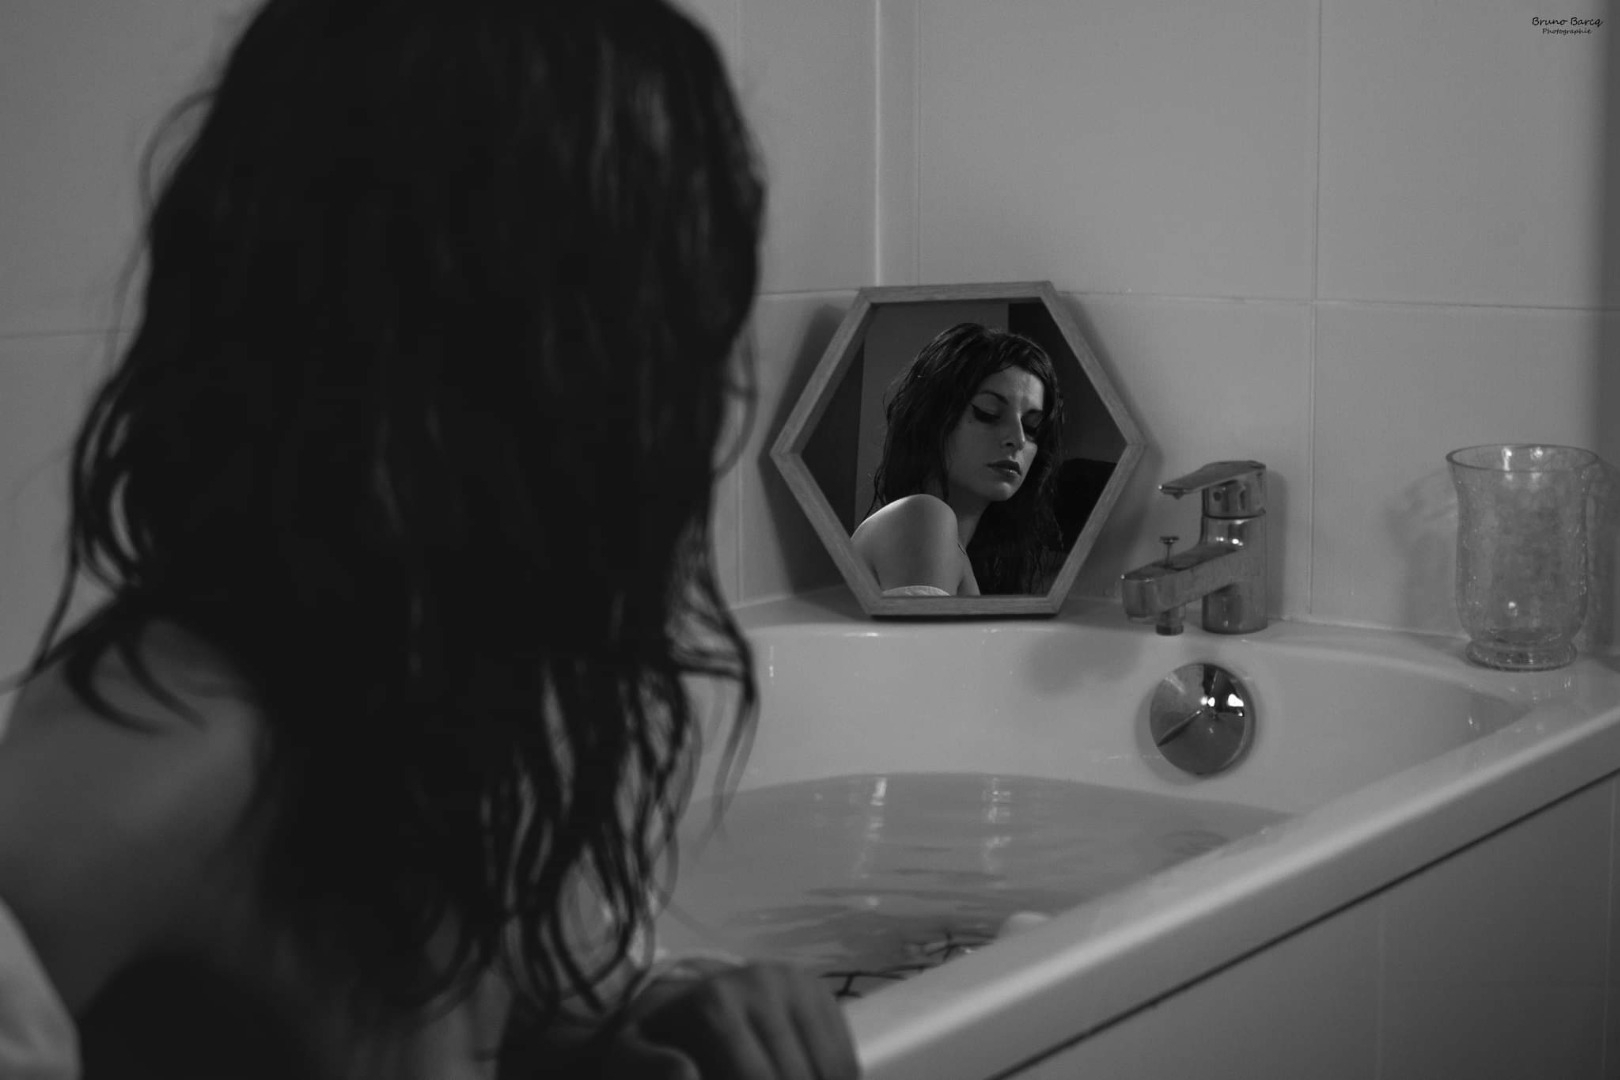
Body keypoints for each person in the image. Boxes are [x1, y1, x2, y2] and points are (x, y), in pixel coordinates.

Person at [0, 1, 860, 1078]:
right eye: (652, 285)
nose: (707, 371)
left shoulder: (445, 706)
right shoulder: (174, 746)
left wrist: (652, 1013)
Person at [852, 323, 1067, 597]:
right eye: (988, 413)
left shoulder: (959, 550)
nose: (1019, 439)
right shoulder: (923, 517)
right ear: (932, 417)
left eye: (1032, 426)